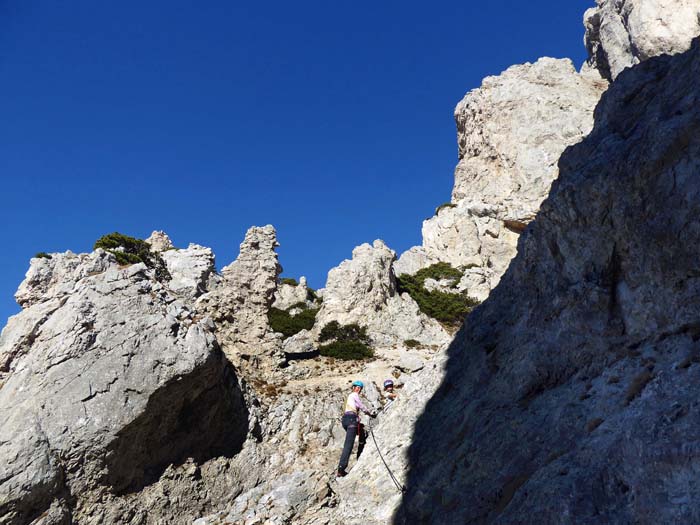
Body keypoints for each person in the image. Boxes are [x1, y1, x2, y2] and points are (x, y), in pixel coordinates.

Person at [337, 380, 376, 477]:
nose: (358, 389)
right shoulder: (354, 395)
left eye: (360, 388)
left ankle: (360, 447)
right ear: (354, 388)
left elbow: (358, 406)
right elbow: (361, 406)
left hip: (346, 420)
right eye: (357, 387)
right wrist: (370, 414)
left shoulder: (349, 398)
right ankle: (341, 468)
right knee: (348, 445)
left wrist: (366, 413)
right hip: (351, 419)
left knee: (357, 434)